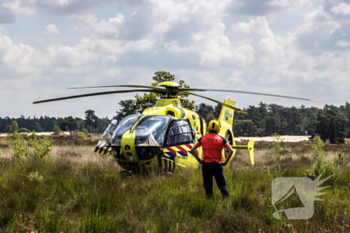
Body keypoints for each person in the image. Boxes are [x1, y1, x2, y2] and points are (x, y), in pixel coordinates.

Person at [191, 120, 234, 198]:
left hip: (206, 165)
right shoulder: (221, 139)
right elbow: (231, 150)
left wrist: (199, 160)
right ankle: (227, 200)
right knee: (222, 185)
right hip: (217, 165)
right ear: (218, 129)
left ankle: (210, 201)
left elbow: (192, 148)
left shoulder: (202, 138)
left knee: (207, 186)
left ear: (208, 128)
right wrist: (225, 162)